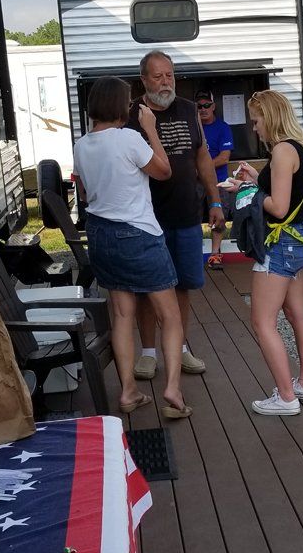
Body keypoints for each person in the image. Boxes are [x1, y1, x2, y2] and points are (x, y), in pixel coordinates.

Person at [72, 76, 191, 418]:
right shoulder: (128, 139)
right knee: (169, 315)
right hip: (137, 234)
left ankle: (127, 392)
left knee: (122, 315)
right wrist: (150, 129)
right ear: (119, 106)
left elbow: (84, 193)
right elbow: (164, 171)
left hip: (100, 235)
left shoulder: (82, 145)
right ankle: (173, 389)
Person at [127, 51, 225, 380]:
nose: (166, 81)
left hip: (186, 214)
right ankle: (148, 353)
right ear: (143, 80)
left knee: (182, 286)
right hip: (146, 219)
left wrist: (214, 201)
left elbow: (202, 157)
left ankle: (180, 348)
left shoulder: (187, 109)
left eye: (170, 75)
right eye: (158, 76)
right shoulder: (131, 114)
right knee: (147, 289)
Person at [224, 90, 303, 416]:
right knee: (299, 315)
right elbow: (289, 197)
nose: (254, 128)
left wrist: (248, 190)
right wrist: (257, 179)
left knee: (263, 321)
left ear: (271, 117)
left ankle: (286, 396)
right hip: (302, 238)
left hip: (280, 244)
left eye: (256, 120)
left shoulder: (280, 150)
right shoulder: (302, 148)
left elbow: (277, 207)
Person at [194, 89, 234, 270]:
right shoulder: (193, 128)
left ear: (213, 106)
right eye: (199, 106)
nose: (203, 109)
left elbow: (224, 157)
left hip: (218, 181)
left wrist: (201, 168)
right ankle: (192, 255)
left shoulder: (223, 127)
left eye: (206, 105)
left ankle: (215, 254)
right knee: (191, 217)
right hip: (195, 181)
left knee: (219, 218)